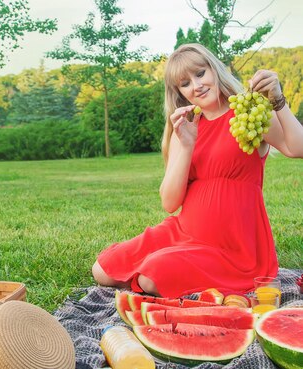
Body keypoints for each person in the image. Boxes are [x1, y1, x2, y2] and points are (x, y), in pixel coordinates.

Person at [91, 43, 303, 298]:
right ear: (179, 92)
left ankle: (168, 274)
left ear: (214, 70)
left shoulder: (247, 115)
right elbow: (170, 202)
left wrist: (278, 101)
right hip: (183, 232)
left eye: (200, 73)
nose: (197, 85)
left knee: (152, 276)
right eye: (185, 83)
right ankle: (171, 269)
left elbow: (296, 148)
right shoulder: (185, 127)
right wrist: (187, 144)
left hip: (232, 250)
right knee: (103, 269)